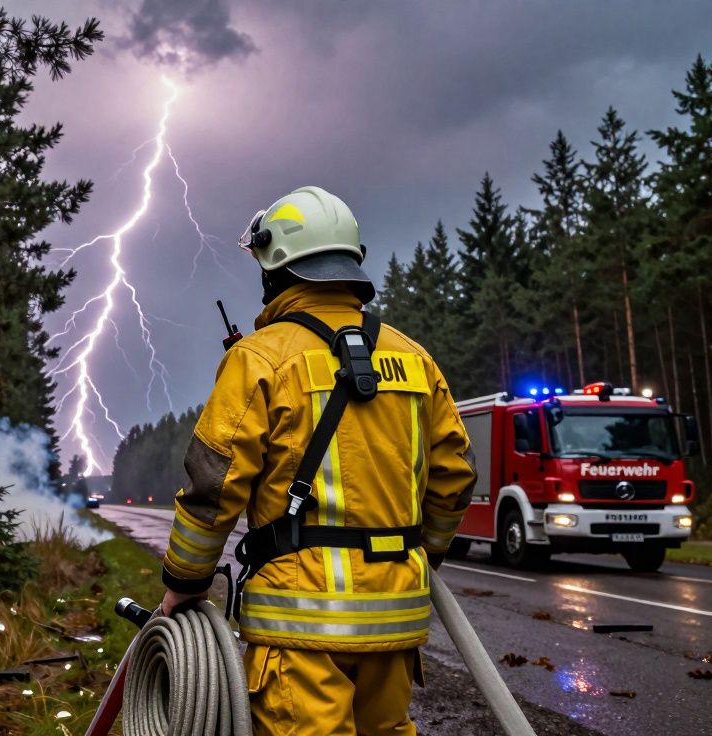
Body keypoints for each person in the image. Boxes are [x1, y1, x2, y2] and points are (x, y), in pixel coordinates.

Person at [158, 186, 477, 735]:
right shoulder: (415, 359)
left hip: (298, 630)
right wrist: (416, 560)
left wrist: (183, 582)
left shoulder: (258, 358)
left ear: (275, 268)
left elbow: (215, 485)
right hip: (394, 621)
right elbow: (454, 479)